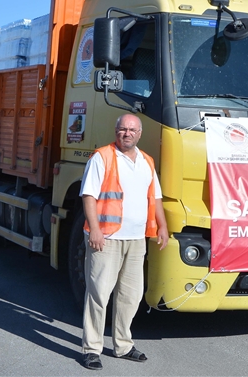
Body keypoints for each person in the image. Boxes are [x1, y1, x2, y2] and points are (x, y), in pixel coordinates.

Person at [79, 113, 168, 371]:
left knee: (131, 295)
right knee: (99, 293)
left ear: (139, 134)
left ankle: (123, 345)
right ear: (115, 131)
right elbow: (88, 195)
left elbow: (156, 197)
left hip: (136, 239)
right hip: (107, 238)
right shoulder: (102, 157)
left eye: (131, 130)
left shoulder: (147, 161)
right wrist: (95, 229)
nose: (126, 133)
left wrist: (162, 226)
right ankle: (92, 349)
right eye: (122, 129)